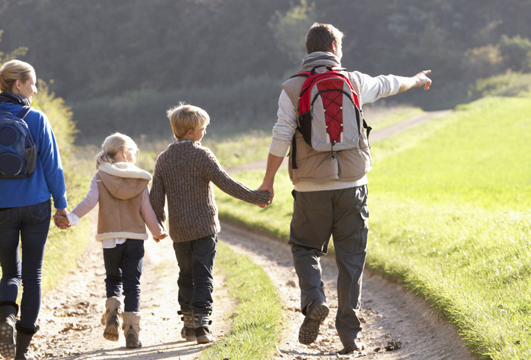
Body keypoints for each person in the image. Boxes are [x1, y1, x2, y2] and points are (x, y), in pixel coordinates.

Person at [257, 23, 432, 355]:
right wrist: (417, 79)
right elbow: (389, 84)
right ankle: (349, 335)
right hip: (353, 185)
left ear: (309, 49)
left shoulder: (292, 88)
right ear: (334, 45)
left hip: (310, 188)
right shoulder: (354, 81)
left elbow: (281, 135)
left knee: (305, 248)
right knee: (352, 259)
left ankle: (314, 302)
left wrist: (267, 182)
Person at [0, 59, 69, 360]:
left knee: (10, 272)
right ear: (18, 84)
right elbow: (53, 167)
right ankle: (21, 351)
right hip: (37, 205)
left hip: (0, 206)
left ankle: (7, 317)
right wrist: (61, 206)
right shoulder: (37, 119)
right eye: (33, 83)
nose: (35, 90)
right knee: (33, 275)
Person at [149, 103, 271, 344]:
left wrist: (158, 225)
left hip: (180, 230)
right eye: (202, 129)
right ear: (190, 132)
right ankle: (202, 326)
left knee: (185, 275)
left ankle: (189, 324)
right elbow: (227, 184)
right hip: (205, 228)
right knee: (202, 274)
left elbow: (156, 197)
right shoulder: (202, 154)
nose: (205, 132)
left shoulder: (163, 159)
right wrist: (257, 197)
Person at [54, 132, 168, 348]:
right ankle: (132, 333)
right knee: (132, 285)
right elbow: (147, 210)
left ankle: (113, 315)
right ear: (124, 152)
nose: (135, 156)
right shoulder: (140, 179)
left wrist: (70, 218)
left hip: (110, 239)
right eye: (133, 152)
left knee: (113, 279)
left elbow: (89, 201)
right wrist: (156, 230)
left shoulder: (100, 177)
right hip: (134, 238)